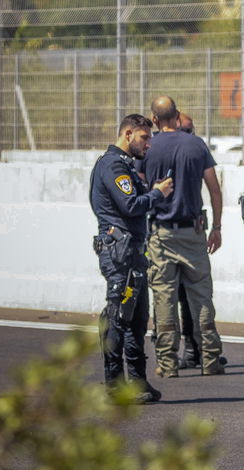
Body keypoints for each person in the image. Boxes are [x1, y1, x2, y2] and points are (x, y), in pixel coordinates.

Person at [89, 114, 173, 402]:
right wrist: (157, 194)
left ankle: (137, 383)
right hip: (119, 255)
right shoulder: (113, 165)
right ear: (127, 134)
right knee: (118, 319)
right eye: (144, 138)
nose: (149, 144)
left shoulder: (125, 165)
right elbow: (130, 204)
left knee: (137, 319)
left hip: (133, 253)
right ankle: (114, 387)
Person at [142, 96, 225, 378]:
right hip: (194, 231)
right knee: (201, 297)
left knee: (164, 299)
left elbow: (141, 192)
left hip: (161, 234)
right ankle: (210, 361)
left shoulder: (149, 147)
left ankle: (168, 364)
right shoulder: (196, 144)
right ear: (177, 116)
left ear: (154, 119)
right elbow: (214, 189)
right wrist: (217, 227)